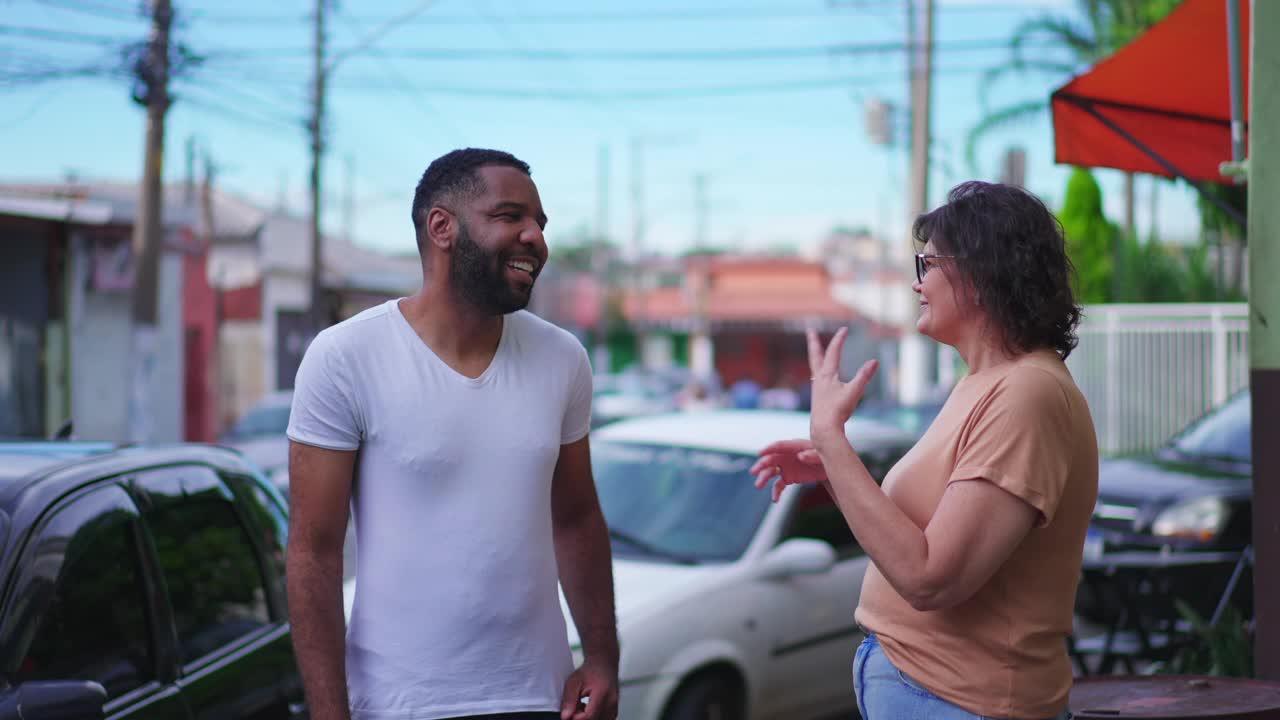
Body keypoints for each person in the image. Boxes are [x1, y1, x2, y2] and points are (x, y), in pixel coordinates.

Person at [286, 148, 619, 720]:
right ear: (442, 227)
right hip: (399, 704)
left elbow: (577, 517)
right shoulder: (345, 356)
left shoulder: (562, 358)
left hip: (539, 698)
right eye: (511, 216)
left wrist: (603, 657)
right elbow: (313, 553)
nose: (535, 237)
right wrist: (329, 714)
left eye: (540, 223)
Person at [752, 181, 1097, 720]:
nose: (918, 284)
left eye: (929, 264)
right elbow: (921, 534)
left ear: (982, 274)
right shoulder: (986, 383)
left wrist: (831, 439)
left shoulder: (1028, 393)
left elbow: (931, 577)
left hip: (967, 701)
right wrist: (835, 471)